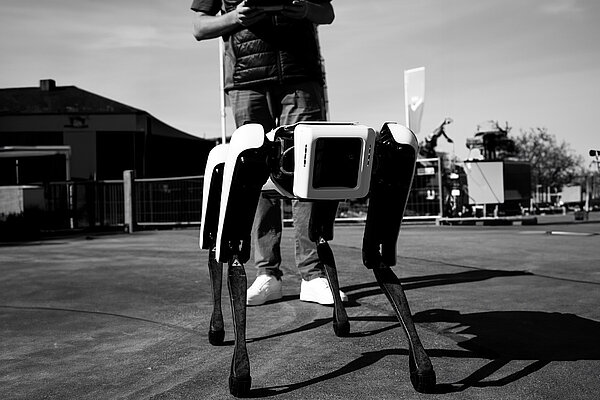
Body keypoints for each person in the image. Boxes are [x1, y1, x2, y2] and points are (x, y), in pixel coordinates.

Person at [192, 0, 347, 306]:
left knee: (306, 169)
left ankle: (313, 275)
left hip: (300, 74)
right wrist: (236, 16)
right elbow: (199, 27)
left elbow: (326, 12)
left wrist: (305, 10)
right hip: (246, 81)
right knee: (256, 171)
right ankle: (267, 275)